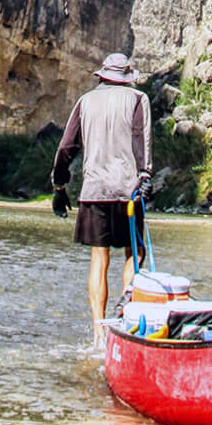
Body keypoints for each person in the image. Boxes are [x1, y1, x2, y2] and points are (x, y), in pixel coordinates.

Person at [51, 53, 153, 344]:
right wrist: (145, 175)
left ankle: (98, 332)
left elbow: (66, 148)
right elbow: (141, 141)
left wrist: (59, 186)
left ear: (102, 76)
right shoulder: (138, 99)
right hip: (127, 190)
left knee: (99, 256)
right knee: (136, 253)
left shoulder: (85, 102)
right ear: (126, 77)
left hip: (94, 191)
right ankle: (125, 318)